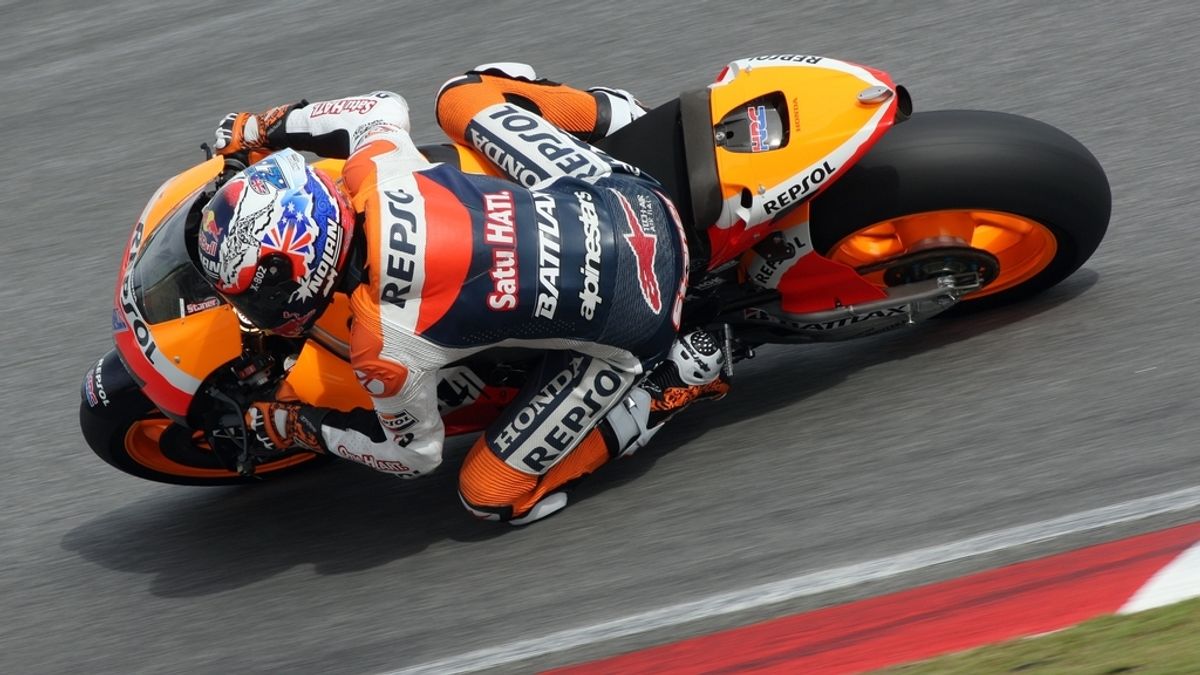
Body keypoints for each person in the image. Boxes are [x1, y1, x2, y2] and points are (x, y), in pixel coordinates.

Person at [198, 63, 729, 524]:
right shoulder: (378, 171)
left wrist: (299, 425)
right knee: (461, 94)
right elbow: (377, 106)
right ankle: (612, 116)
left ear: (300, 274)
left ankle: (671, 382)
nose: (253, 309)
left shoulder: (382, 347)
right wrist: (260, 126)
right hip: (631, 193)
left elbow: (414, 457)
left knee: (490, 496)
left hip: (642, 316)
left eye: (256, 296)